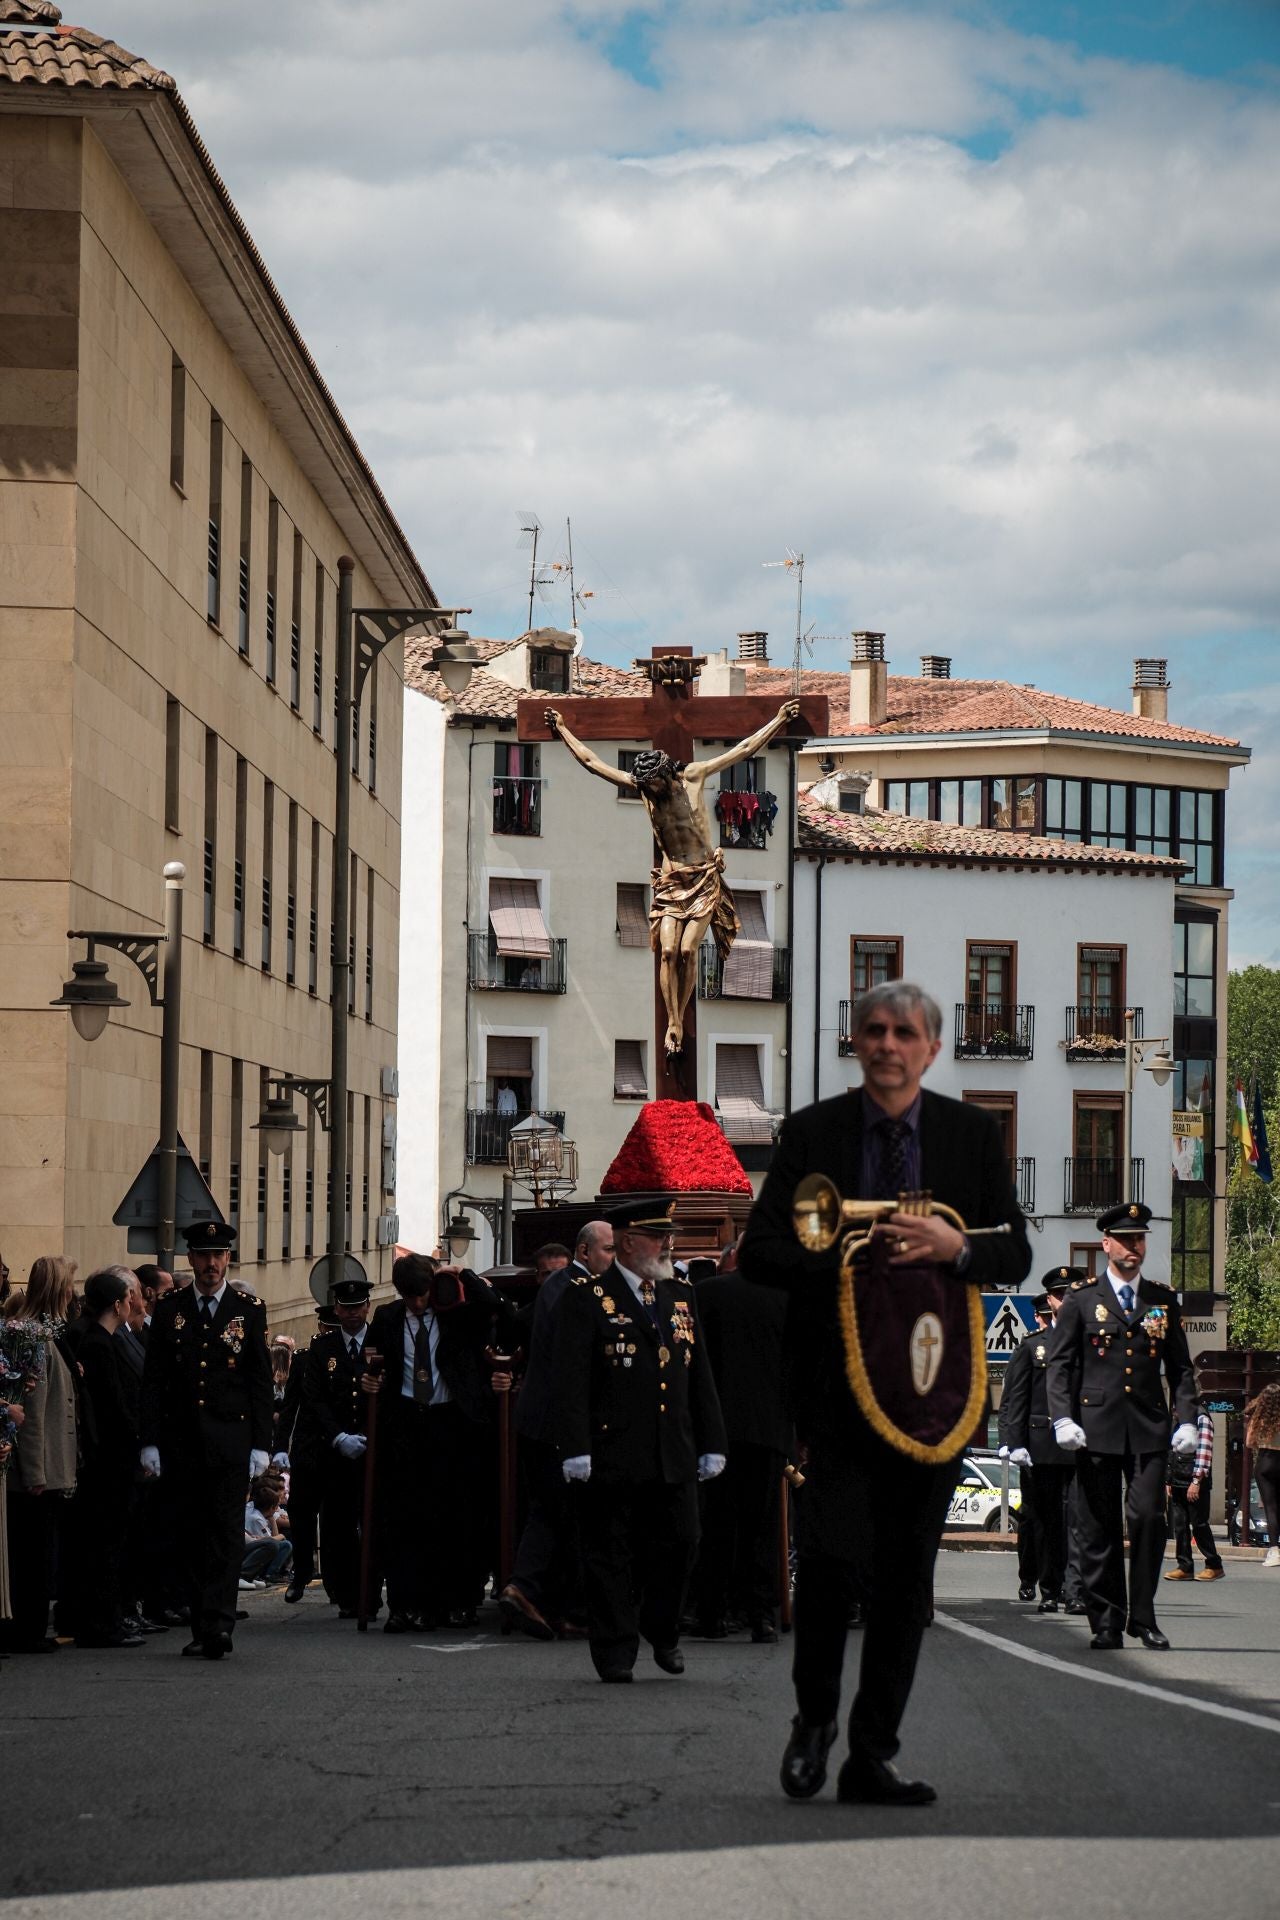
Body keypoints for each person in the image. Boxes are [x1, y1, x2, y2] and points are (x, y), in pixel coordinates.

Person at [738, 980, 1030, 1805]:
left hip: (938, 1397)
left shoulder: (971, 1136)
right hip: (837, 1393)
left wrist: (955, 1244)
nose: (888, 1044)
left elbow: (1016, 1252)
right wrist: (849, 1254)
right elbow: (761, 1253)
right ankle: (814, 1722)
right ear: (856, 1042)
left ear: (931, 1048)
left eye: (904, 1032)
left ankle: (872, 1755)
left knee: (906, 1586)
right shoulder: (813, 1132)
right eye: (873, 1030)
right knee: (831, 1568)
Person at [545, 699, 800, 1055]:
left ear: (667, 775)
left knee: (686, 949)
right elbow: (593, 763)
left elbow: (743, 749)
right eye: (644, 786)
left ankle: (680, 1017)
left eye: (653, 785)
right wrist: (562, 730)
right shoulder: (647, 791)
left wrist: (777, 721)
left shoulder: (694, 777)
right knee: (666, 951)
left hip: (702, 882)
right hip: (670, 882)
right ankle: (674, 1021)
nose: (649, 792)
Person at [551, 1199, 726, 1683]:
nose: (668, 1244)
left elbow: (700, 1375)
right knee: (609, 1553)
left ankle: (661, 1626)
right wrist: (575, 1446)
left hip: (673, 1449)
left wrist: (713, 1441)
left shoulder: (681, 1295)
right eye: (658, 1236)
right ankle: (614, 1650)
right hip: (611, 1450)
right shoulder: (587, 1296)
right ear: (629, 1242)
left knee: (683, 1541)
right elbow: (570, 1378)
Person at [1046, 1202, 1198, 1652]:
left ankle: (1143, 1617)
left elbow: (1181, 1368)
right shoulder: (1081, 1300)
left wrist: (1186, 1420)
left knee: (1149, 1519)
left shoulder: (1161, 1300)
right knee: (1099, 1528)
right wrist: (1062, 1417)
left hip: (1149, 1429)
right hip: (1094, 1428)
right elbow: (1059, 1365)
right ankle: (1107, 1621)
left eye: (1140, 1238)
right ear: (1106, 1244)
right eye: (1126, 1239)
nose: (1134, 1246)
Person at [139, 1220, 275, 1659]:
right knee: (191, 1534)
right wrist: (150, 1441)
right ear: (191, 1259)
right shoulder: (171, 1308)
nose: (211, 1264)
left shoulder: (248, 1309)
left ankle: (219, 1624)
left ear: (228, 1259)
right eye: (202, 1255)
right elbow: (154, 1380)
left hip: (231, 1441)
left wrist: (261, 1443)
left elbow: (259, 1380)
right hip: (182, 1441)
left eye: (218, 1256)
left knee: (225, 1536)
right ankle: (201, 1624)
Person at [364, 1251, 500, 1632]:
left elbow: (492, 1306)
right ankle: (407, 1605)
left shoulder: (454, 1312)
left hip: (453, 1422)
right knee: (408, 1520)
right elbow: (370, 1359)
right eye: (410, 1297)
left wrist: (459, 1273)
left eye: (423, 1294)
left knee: (458, 1518)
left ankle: (459, 1601)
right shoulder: (389, 1318)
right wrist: (370, 1379)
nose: (418, 1303)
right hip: (408, 1423)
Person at [501, 1221, 614, 1639]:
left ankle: (549, 1600)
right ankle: (530, 1591)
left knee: (557, 1512)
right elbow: (575, 1362)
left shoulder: (561, 1285)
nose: (613, 1257)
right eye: (607, 1250)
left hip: (543, 1418)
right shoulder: (575, 1289)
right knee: (558, 1511)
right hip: (557, 1423)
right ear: (585, 1252)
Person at [691, 1252, 790, 1640]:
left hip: (716, 1430)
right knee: (762, 1526)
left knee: (716, 1524)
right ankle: (760, 1615)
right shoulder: (786, 1298)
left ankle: (711, 1614)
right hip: (768, 1430)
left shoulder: (705, 1293)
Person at [0, 1256, 80, 1656]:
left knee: (40, 1551)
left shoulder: (45, 1335)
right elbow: (30, 1414)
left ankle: (30, 1626)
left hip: (49, 1466)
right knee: (32, 1554)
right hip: (39, 1470)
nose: (73, 1292)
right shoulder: (32, 1337)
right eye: (69, 1284)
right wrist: (33, 1471)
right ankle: (26, 1628)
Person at [999, 1272, 1084, 1613]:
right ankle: (1048, 1588)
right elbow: (1015, 1400)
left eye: (1070, 1294)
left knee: (1078, 1521)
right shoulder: (1033, 1346)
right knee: (1045, 1521)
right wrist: (1013, 1442)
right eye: (1059, 1295)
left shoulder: (1092, 1342)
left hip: (1082, 1447)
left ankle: (1073, 1589)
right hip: (1042, 1449)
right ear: (1050, 1301)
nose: (1064, 1300)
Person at [73, 1267, 147, 1648]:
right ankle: (101, 1622)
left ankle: (104, 1618)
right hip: (111, 1461)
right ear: (119, 1304)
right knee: (107, 1543)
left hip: (112, 1458)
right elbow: (114, 1406)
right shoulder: (101, 1345)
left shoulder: (100, 1341)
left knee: (108, 1542)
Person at [295, 1277, 377, 1617]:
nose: (352, 1314)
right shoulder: (322, 1347)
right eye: (346, 1308)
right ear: (337, 1310)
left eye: (358, 1307)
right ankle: (347, 1596)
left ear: (367, 1308)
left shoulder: (380, 1341)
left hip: (372, 1449)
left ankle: (371, 1595)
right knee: (339, 1527)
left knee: (372, 1524)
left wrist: (369, 1435)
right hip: (336, 1451)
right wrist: (339, 1436)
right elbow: (314, 1399)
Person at [1165, 1405, 1224, 1582]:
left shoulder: (1201, 1418)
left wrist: (1196, 1481)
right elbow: (1172, 1450)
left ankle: (1214, 1564)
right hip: (1178, 1479)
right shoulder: (1180, 1419)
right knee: (1180, 1525)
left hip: (1194, 1480)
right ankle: (1185, 1566)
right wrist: (1168, 1479)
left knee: (1199, 1524)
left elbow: (1204, 1453)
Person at [1244, 1383, 1280, 1567]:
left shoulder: (1260, 1419)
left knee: (1271, 1508)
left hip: (1266, 1462)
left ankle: (1274, 1551)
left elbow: (1249, 1443)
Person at [242, 1472, 294, 1586]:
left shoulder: (262, 1513)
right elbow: (270, 1541)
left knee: (281, 1543)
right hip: (248, 1547)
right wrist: (280, 1535)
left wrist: (272, 1520)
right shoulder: (256, 1517)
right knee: (281, 1543)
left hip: (252, 1541)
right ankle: (264, 1574)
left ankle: (256, 1575)